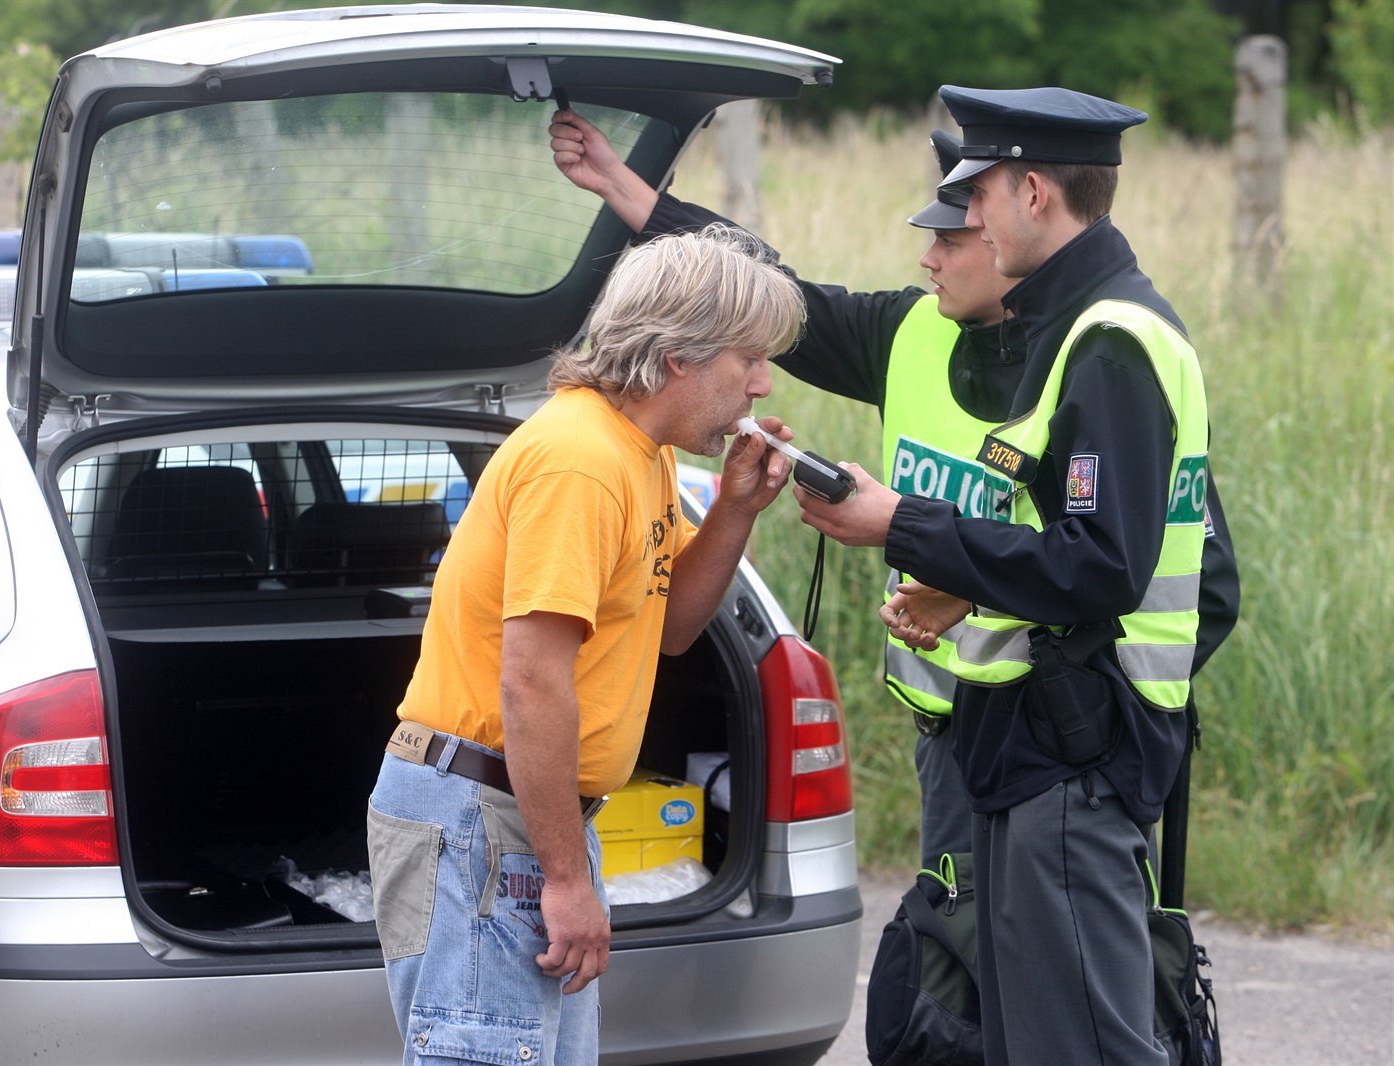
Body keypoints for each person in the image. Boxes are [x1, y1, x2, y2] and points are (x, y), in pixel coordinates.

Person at [796, 85, 1240, 1066]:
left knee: (1079, 1047)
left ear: (1033, 192)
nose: (968, 219)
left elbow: (1102, 566)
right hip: (1034, 746)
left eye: (979, 194)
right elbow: (1072, 541)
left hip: (1076, 751)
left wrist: (900, 524)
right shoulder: (1073, 324)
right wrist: (963, 584)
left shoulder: (1109, 341)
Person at [366, 225, 805, 1065]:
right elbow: (531, 681)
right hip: (480, 820)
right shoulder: (581, 462)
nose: (763, 383)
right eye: (749, 358)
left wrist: (735, 511)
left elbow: (671, 625)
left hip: (523, 815)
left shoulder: (639, 455)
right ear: (679, 355)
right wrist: (566, 879)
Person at [549, 112, 1022, 866]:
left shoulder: (1095, 363)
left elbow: (1145, 569)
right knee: (949, 930)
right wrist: (625, 190)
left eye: (953, 240)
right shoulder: (911, 331)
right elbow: (765, 288)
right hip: (948, 735)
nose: (927, 257)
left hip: (1056, 741)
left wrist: (911, 537)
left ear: (1008, 239)